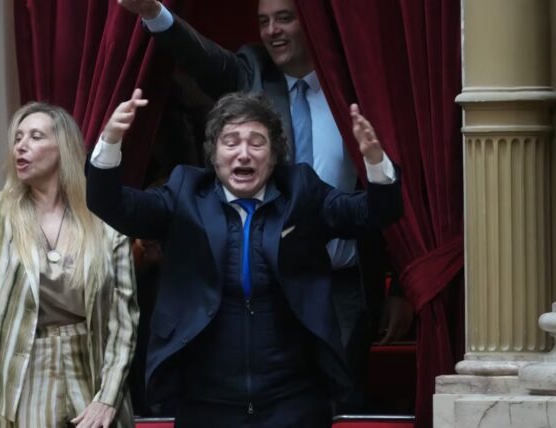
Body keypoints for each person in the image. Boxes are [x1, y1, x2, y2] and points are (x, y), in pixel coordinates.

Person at [119, 0, 414, 410]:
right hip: (267, 278)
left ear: (312, 23)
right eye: (263, 21)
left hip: (342, 280)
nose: (272, 30)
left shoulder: (357, 87)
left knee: (337, 400)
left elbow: (385, 197)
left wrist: (401, 283)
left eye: (284, 18)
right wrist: (154, 14)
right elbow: (202, 58)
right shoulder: (251, 73)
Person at [86, 89, 403, 427]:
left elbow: (373, 213)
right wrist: (111, 143)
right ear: (214, 153)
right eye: (231, 142)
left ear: (274, 154)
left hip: (293, 397)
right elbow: (111, 204)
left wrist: (374, 162)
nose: (244, 153)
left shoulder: (301, 190)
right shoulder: (184, 192)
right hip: (205, 399)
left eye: (257, 142)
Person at [0, 87, 139, 427]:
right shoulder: (2, 214)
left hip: (91, 368)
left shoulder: (103, 221)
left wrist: (107, 399)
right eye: (18, 138)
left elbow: (124, 323)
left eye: (35, 136)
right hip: (27, 368)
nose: (21, 145)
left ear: (63, 149)